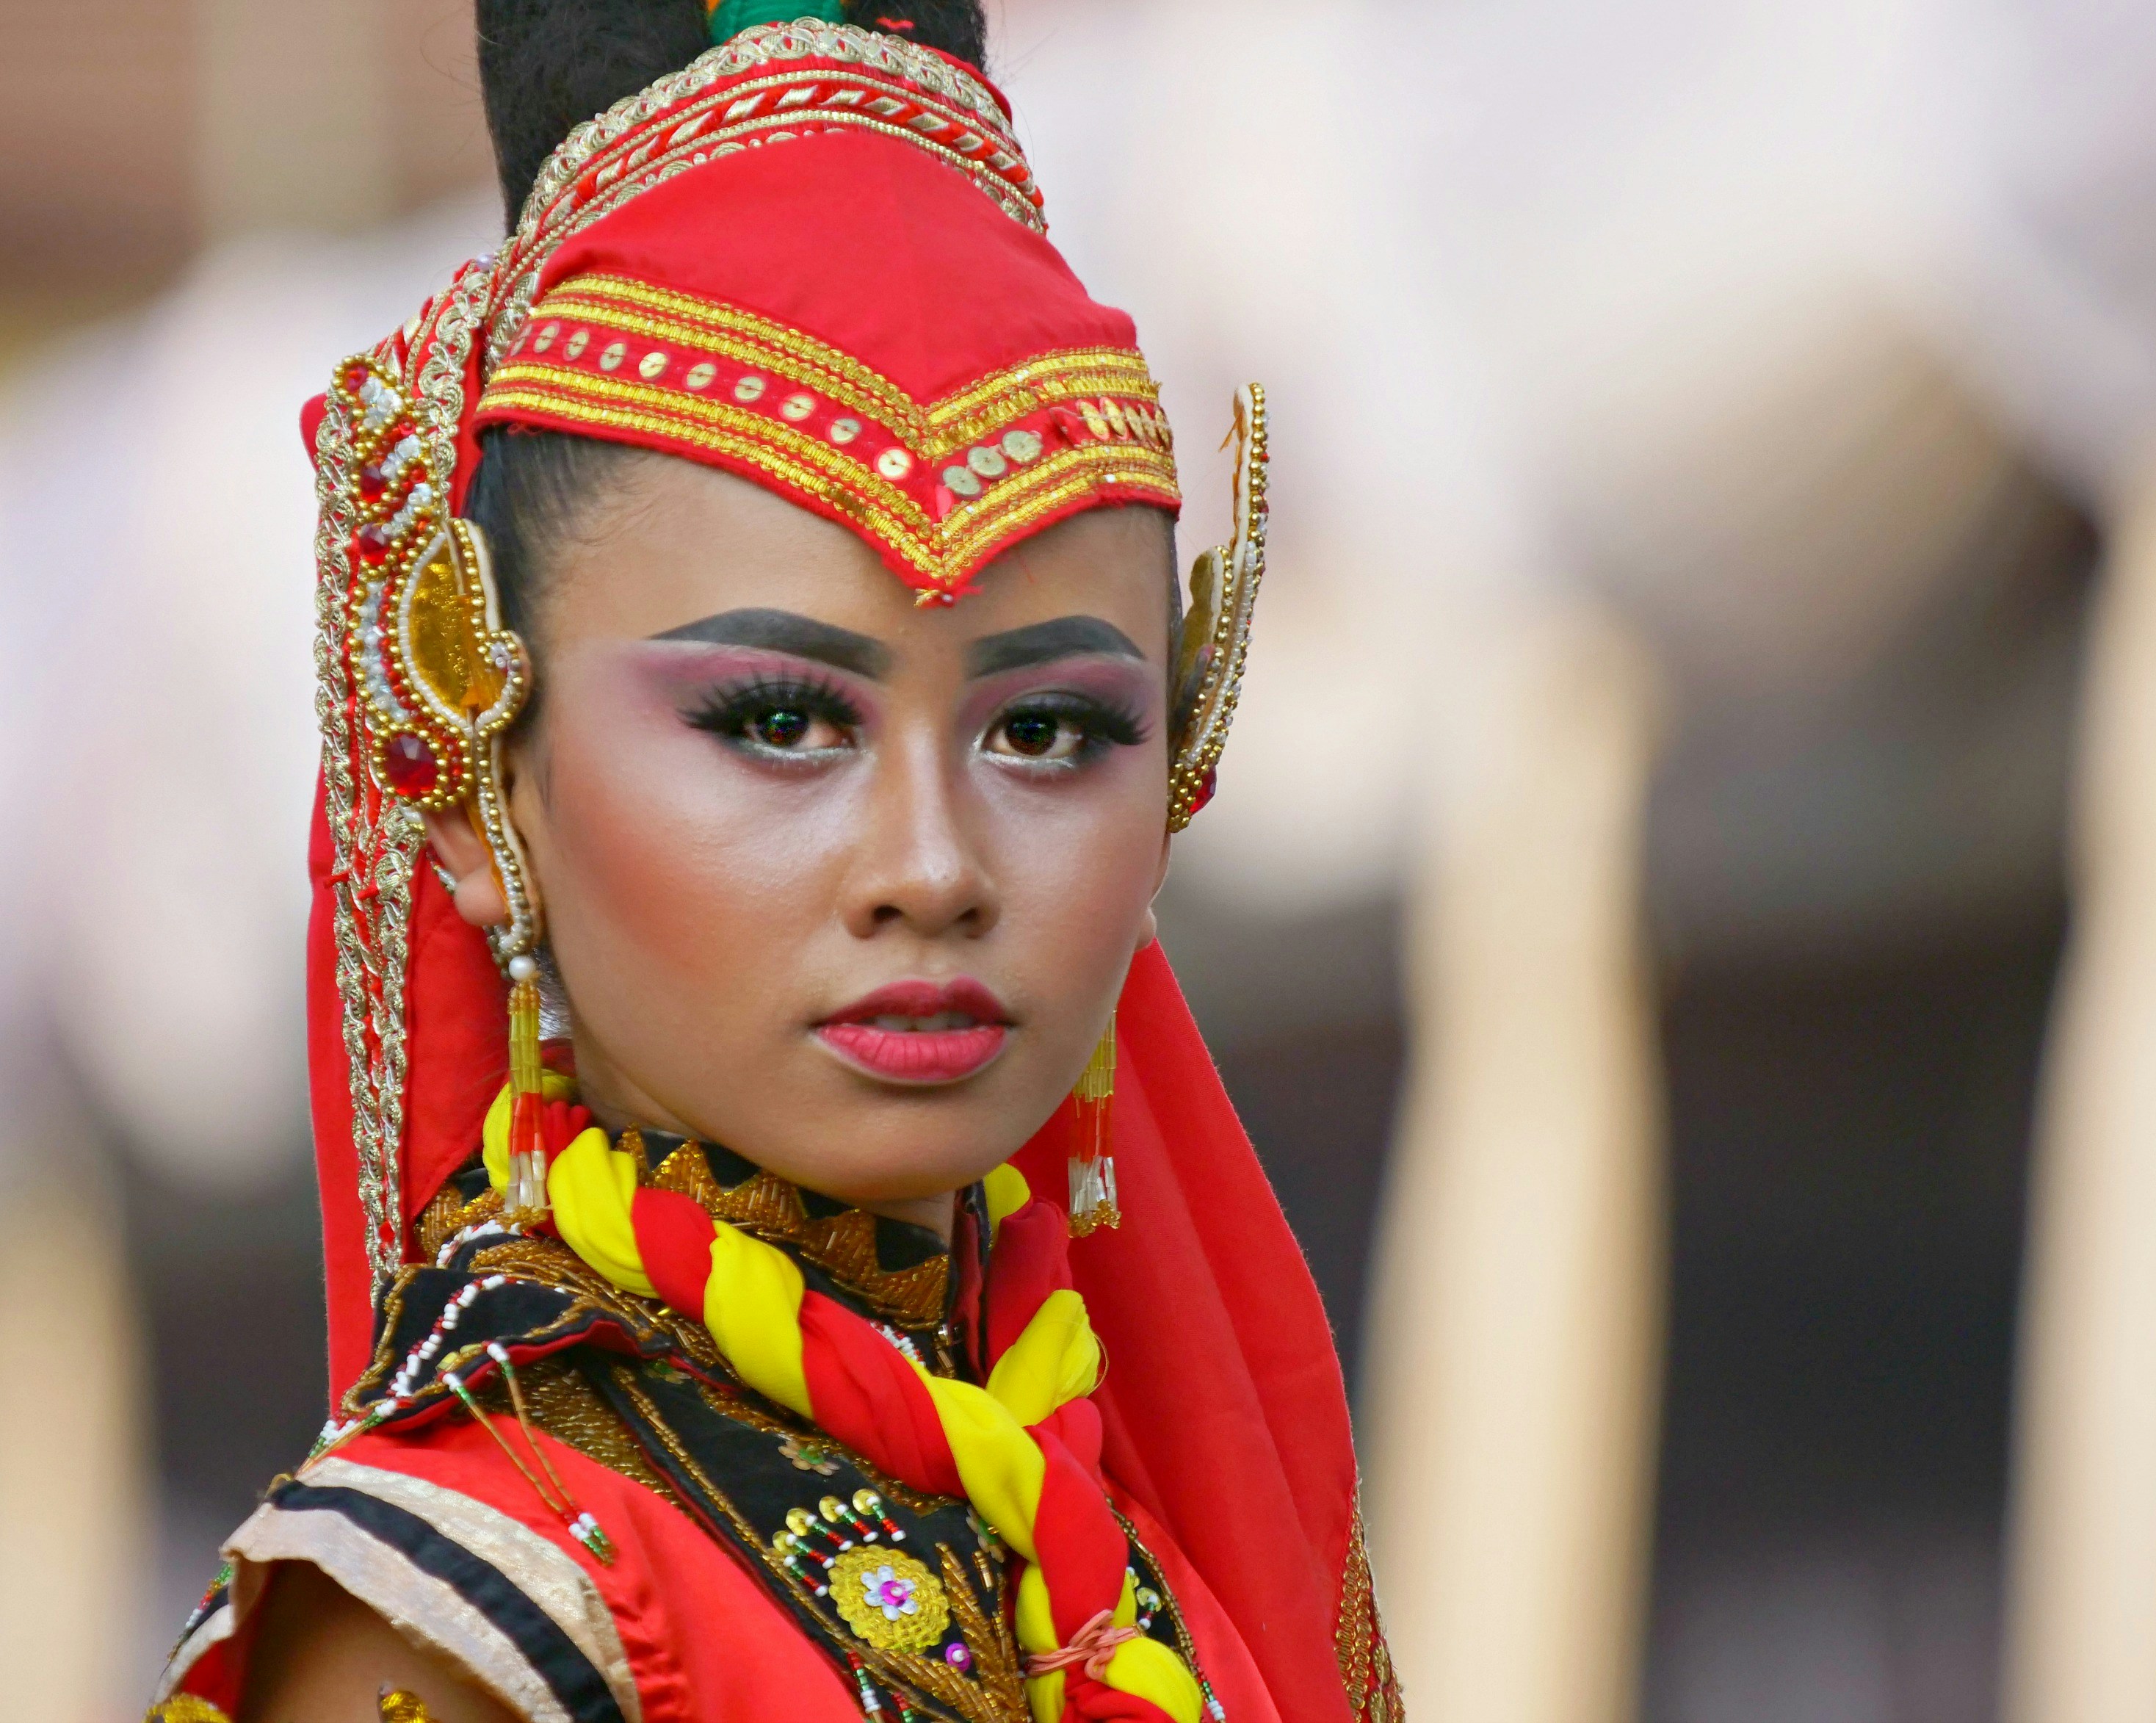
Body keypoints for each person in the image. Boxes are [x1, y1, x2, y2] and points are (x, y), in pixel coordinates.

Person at [145, 5, 1400, 1721]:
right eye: (779, 720)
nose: (935, 866)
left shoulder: (1128, 1569)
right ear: (474, 793)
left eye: (1046, 736)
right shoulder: (462, 1617)